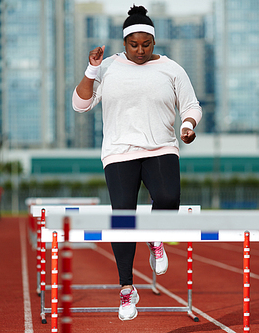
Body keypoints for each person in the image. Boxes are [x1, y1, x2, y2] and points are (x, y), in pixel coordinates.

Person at [71, 5, 202, 321]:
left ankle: (155, 236)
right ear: (124, 42)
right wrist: (91, 69)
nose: (140, 50)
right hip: (119, 152)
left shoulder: (171, 69)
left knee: (169, 198)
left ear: (154, 42)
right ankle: (127, 289)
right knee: (123, 216)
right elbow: (80, 105)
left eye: (146, 44)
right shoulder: (109, 67)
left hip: (161, 148)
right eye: (134, 45)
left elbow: (191, 106)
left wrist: (188, 126)